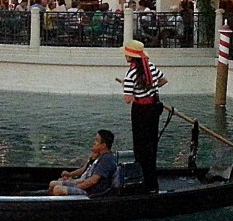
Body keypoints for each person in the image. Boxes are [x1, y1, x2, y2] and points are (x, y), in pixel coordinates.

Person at [119, 39, 167, 192]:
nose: (125, 56)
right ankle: (153, 183)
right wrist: (149, 88)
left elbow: (128, 99)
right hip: (154, 109)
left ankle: (144, 183)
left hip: (140, 112)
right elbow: (163, 80)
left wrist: (126, 87)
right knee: (151, 145)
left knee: (140, 148)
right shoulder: (151, 66)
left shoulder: (130, 74)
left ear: (131, 56)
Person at [49, 129, 117, 196]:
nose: (94, 142)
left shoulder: (106, 160)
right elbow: (83, 169)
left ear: (103, 145)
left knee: (58, 189)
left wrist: (76, 187)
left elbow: (93, 181)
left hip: (91, 192)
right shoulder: (100, 157)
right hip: (86, 187)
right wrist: (70, 174)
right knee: (53, 184)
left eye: (96, 140)